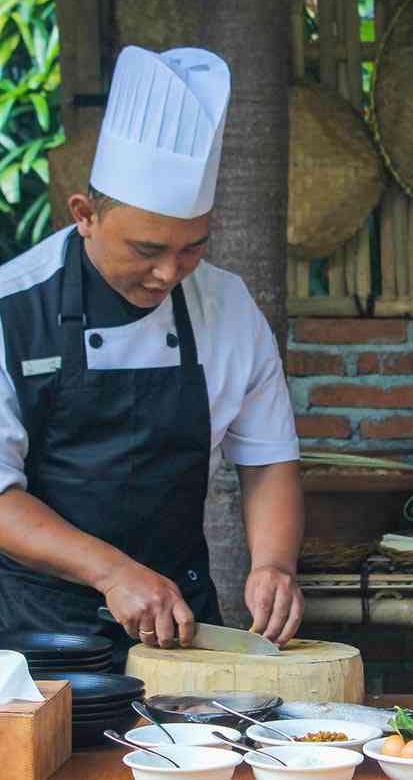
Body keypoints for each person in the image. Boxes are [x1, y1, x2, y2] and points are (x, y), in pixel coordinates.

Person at [0, 45, 304, 666]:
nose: (169, 272)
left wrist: (274, 563)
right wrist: (112, 573)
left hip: (182, 622)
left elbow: (268, 458)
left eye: (192, 247)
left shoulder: (228, 308)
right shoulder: (13, 308)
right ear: (84, 216)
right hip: (35, 629)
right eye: (146, 249)